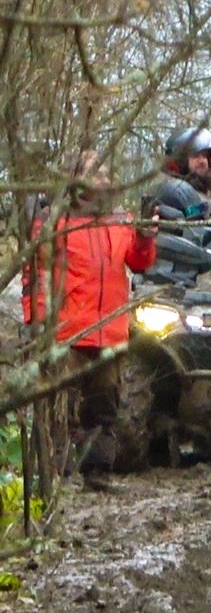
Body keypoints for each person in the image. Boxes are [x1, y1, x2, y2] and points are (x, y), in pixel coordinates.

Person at [22, 150, 158, 479]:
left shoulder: (120, 218)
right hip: (66, 331)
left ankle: (98, 472)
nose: (103, 180)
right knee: (63, 408)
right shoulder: (52, 221)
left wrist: (145, 238)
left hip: (109, 330)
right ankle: (60, 474)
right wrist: (37, 323)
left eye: (106, 173)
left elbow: (139, 263)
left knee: (104, 407)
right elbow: (35, 276)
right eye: (95, 172)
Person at [154, 127, 211, 218]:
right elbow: (190, 213)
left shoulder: (197, 184)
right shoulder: (169, 186)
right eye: (195, 155)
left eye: (205, 155)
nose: (202, 161)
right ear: (180, 159)